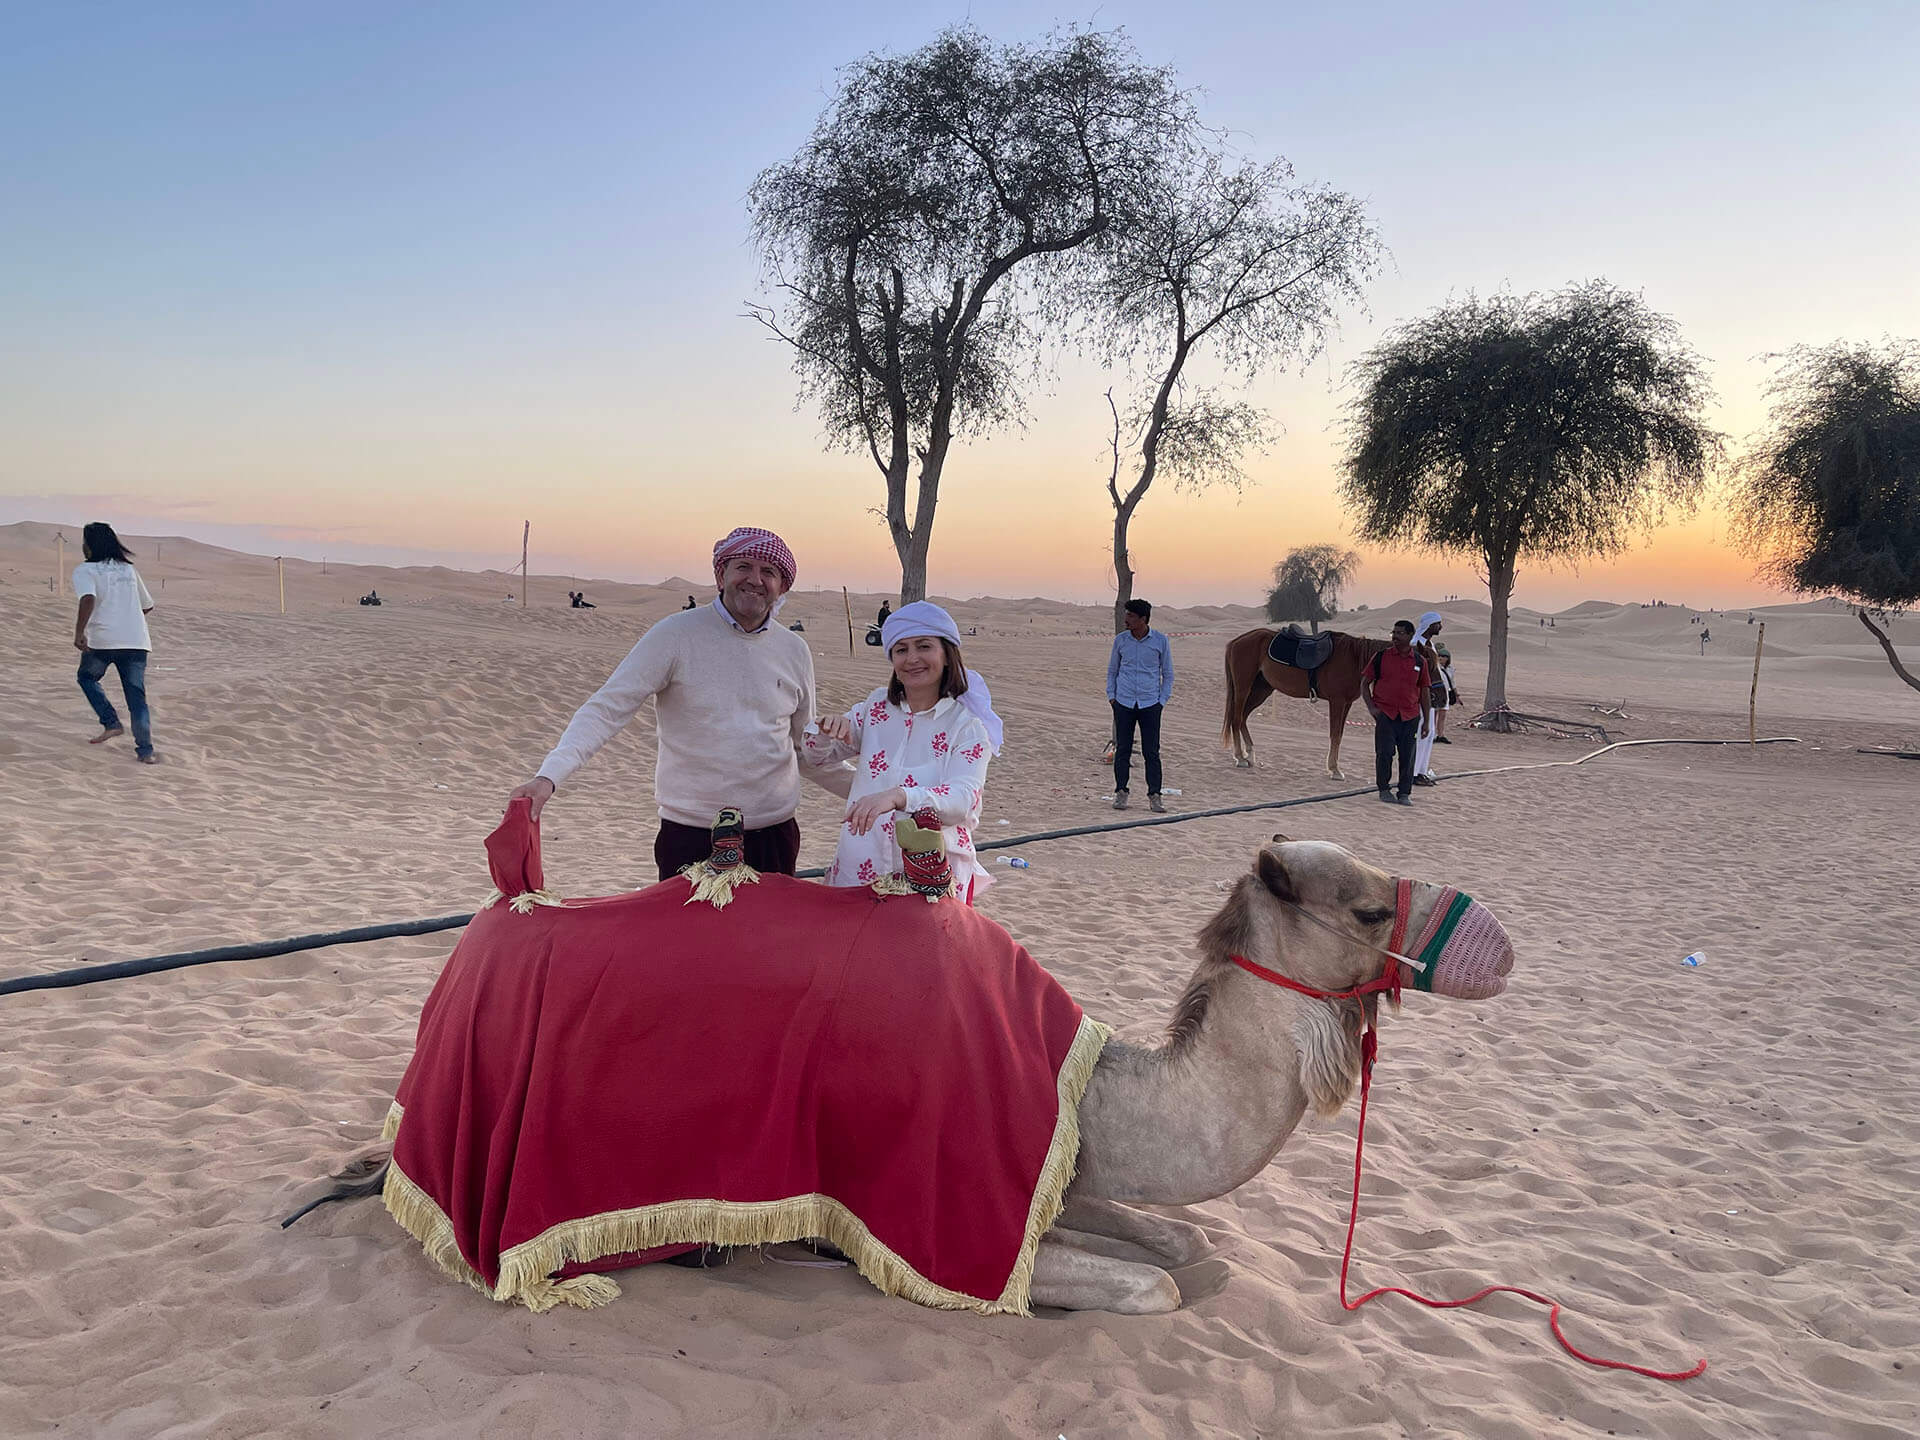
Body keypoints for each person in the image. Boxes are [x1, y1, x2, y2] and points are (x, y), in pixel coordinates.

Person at [508, 527, 821, 881]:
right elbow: (608, 709)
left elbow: (805, 748)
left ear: (782, 586)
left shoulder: (795, 651)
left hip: (774, 837)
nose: (755, 580)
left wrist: (873, 793)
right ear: (721, 575)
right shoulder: (675, 634)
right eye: (743, 567)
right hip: (691, 836)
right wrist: (548, 777)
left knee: (772, 921)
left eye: (769, 572)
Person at [802, 601, 1003, 902]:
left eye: (924, 646)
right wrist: (824, 730)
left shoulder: (967, 727)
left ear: (947, 655)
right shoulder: (875, 709)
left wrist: (901, 796)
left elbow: (962, 800)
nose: (912, 659)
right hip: (861, 865)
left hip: (931, 876)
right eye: (901, 650)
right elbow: (815, 757)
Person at [72, 522, 161, 764]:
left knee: (87, 677)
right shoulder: (128, 570)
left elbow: (87, 598)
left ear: (89, 545)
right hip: (135, 641)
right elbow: (147, 605)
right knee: (136, 698)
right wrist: (126, 618)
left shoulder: (85, 570)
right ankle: (146, 751)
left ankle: (111, 722)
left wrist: (79, 632)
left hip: (102, 641)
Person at [1106, 598, 1173, 812]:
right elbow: (1112, 671)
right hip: (1123, 702)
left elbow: (1168, 674)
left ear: (1143, 619)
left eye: (1131, 616)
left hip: (1150, 703)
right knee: (1122, 750)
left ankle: (1155, 795)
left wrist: (1161, 701)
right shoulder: (1121, 640)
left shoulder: (1160, 641)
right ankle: (1121, 792)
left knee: (1151, 752)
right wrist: (1112, 697)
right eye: (1126, 614)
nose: (1126, 619)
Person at [1361, 619, 1431, 806]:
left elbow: (1424, 691)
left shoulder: (1419, 661)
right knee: (1384, 753)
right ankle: (1384, 789)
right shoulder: (1381, 657)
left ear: (1410, 635)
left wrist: (1426, 721)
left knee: (1408, 756)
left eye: (1400, 633)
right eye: (1394, 632)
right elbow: (1364, 684)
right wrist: (1372, 708)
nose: (1395, 636)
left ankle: (1404, 793)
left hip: (1410, 716)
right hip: (1386, 714)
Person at [1411, 612, 1445, 785]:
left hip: (1430, 695)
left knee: (1430, 732)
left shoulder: (1429, 644)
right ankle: (1413, 772)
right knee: (1421, 732)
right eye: (1438, 624)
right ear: (1430, 625)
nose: (1440, 627)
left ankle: (1422, 771)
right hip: (1419, 695)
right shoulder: (1416, 644)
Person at [1432, 638, 1457, 744]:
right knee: (1434, 715)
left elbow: (1452, 683)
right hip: (1436, 694)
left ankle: (1440, 735)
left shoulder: (1450, 669)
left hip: (1446, 694)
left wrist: (1456, 695)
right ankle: (1432, 735)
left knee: (1442, 716)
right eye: (1440, 655)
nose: (1441, 658)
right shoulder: (1435, 667)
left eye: (1444, 656)